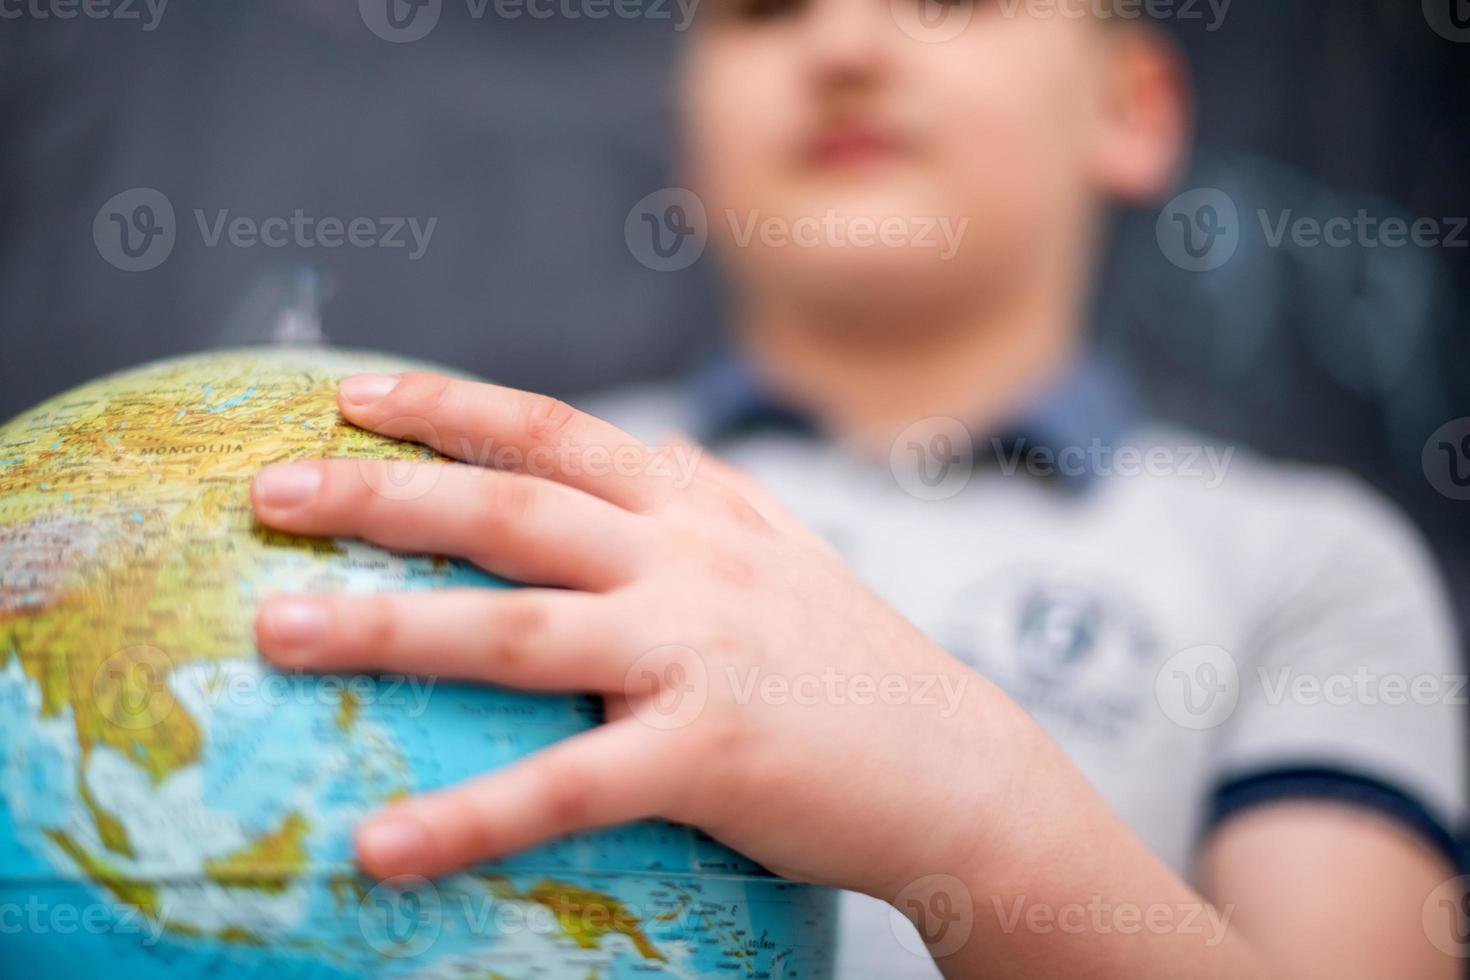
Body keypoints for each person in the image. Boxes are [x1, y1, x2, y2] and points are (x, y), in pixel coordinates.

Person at [246, 2, 1467, 976]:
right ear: (689, 135)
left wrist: (972, 814)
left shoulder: (1310, 565)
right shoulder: (491, 508)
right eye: (768, 10)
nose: (843, 40)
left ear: (1130, 104)